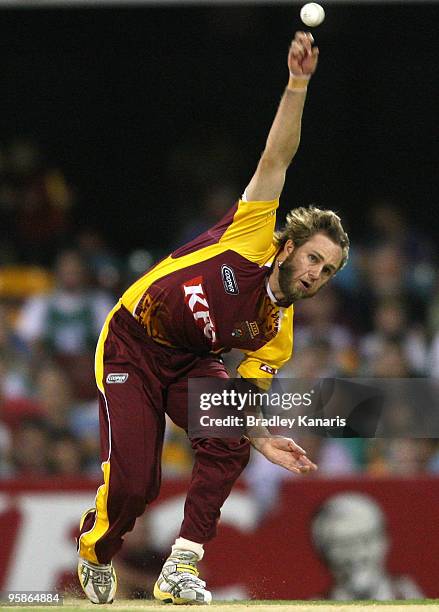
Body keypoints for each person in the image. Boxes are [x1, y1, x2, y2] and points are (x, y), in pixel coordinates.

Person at [77, 31, 349, 605]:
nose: (316, 274)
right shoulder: (250, 235)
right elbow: (278, 155)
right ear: (289, 247)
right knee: (136, 484)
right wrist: (298, 83)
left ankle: (182, 564)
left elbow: (245, 399)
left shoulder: (277, 333)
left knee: (229, 434)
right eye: (313, 259)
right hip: (131, 342)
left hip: (188, 363)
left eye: (327, 272)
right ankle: (97, 549)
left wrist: (263, 436)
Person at [311, 492, 424, 600]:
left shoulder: (413, 598)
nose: (357, 555)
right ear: (322, 552)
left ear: (385, 541)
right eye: (342, 545)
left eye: (365, 540)